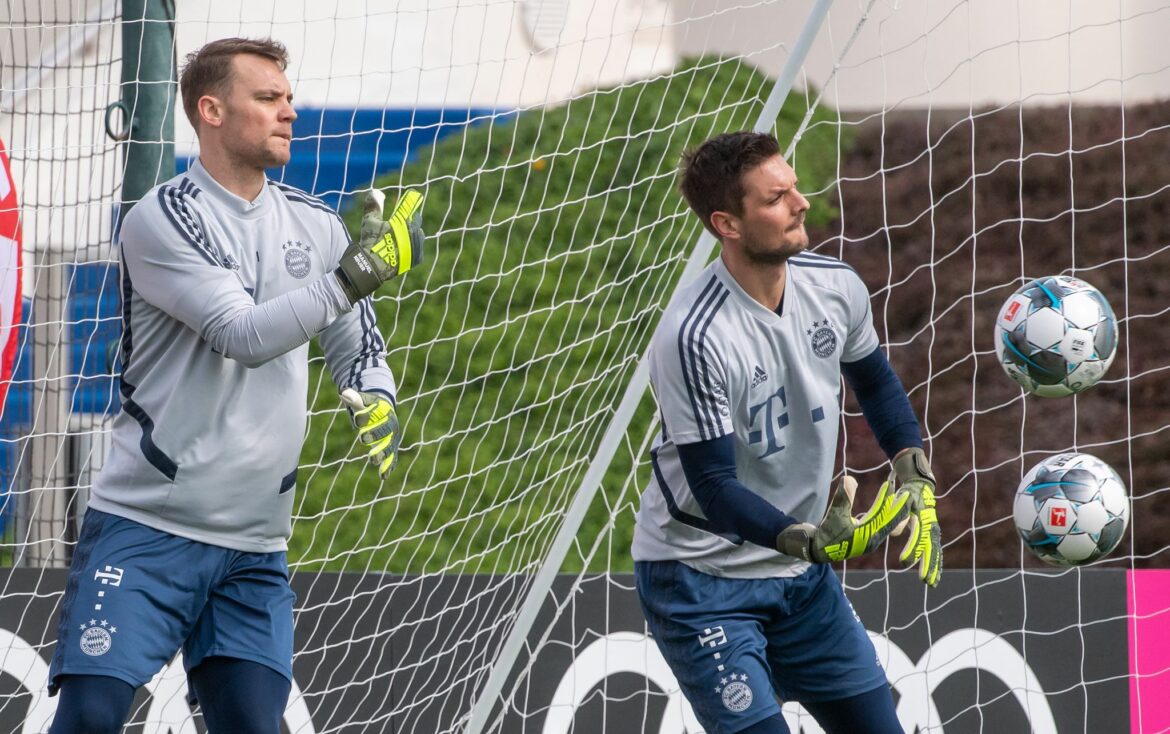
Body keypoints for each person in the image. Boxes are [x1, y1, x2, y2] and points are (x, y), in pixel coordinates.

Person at [47, 37, 423, 733]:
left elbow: (355, 340)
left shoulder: (313, 222)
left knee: (254, 726)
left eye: (288, 97)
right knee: (89, 718)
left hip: (255, 545)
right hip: (148, 529)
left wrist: (377, 393)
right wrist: (355, 276)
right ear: (212, 111)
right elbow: (244, 335)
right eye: (269, 99)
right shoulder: (162, 217)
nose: (290, 112)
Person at [631, 131, 941, 734]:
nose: (801, 203)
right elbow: (714, 486)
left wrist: (912, 464)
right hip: (701, 577)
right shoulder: (693, 337)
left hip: (798, 576)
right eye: (777, 198)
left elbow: (874, 383)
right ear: (728, 223)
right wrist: (807, 539)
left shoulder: (836, 286)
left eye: (794, 186)